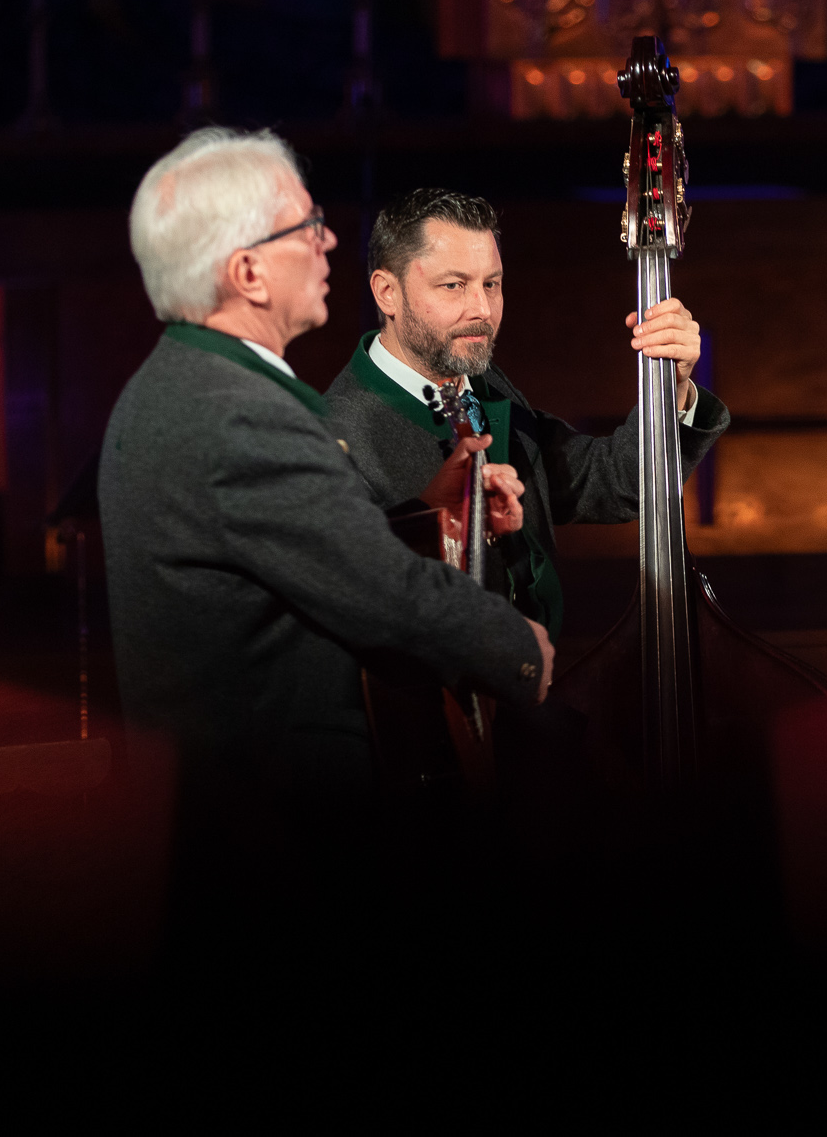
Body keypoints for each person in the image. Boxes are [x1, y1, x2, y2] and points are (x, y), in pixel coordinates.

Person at [98, 129, 553, 962]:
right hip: (279, 843)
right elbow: (376, 588)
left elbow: (301, 551)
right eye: (304, 226)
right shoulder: (241, 412)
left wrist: (428, 504)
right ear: (246, 271)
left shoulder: (183, 384)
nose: (328, 240)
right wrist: (514, 644)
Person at [323, 188, 728, 647]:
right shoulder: (334, 436)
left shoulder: (481, 381)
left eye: (491, 284)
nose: (481, 309)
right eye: (454, 285)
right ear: (387, 292)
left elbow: (611, 481)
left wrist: (671, 387)